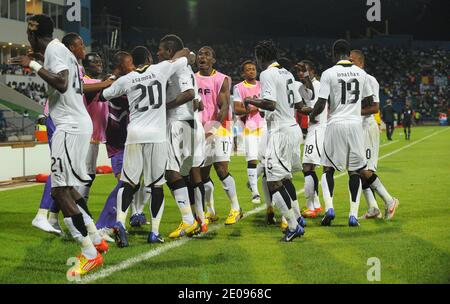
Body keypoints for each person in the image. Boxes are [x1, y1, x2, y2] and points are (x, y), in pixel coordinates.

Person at [10, 14, 106, 276]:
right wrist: (39, 61)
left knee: (60, 192)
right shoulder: (60, 50)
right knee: (69, 189)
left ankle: (89, 254)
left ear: (32, 35)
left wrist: (32, 64)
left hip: (69, 126)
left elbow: (62, 84)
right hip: (76, 123)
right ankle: (97, 240)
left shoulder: (54, 50)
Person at [101, 47, 191, 248]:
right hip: (156, 136)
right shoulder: (160, 69)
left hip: (133, 135)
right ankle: (154, 233)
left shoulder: (127, 79)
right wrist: (184, 54)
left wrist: (115, 77)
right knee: (156, 185)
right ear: (149, 59)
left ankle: (119, 223)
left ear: (134, 60)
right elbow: (184, 56)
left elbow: (104, 94)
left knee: (128, 183)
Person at [310, 40, 399, 227]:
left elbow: (321, 103)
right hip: (356, 126)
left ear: (335, 54)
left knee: (329, 168)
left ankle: (330, 208)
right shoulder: (362, 74)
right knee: (357, 170)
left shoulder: (328, 73)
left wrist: (311, 116)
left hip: (340, 125)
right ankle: (356, 213)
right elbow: (369, 101)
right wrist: (352, 108)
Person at [245, 40, 305, 242]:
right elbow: (299, 104)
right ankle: (296, 218)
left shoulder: (267, 74)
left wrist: (251, 100)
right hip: (292, 129)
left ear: (260, 57)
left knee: (273, 183)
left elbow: (270, 104)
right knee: (284, 179)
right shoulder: (287, 73)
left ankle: (293, 226)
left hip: (280, 132)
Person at [156, 34, 202, 238]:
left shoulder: (180, 68)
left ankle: (188, 220)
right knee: (183, 174)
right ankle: (195, 219)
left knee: (171, 172)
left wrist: (164, 107)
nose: (158, 53)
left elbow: (190, 93)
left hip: (179, 123)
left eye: (160, 49)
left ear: (169, 50)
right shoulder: (178, 66)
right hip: (184, 123)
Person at [195, 46, 242, 225]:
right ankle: (211, 211)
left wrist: (212, 129)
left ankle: (236, 208)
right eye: (200, 54)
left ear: (213, 60)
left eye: (207, 54)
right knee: (202, 174)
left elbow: (223, 107)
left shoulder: (222, 79)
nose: (202, 57)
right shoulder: (192, 78)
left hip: (220, 128)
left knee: (221, 169)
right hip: (200, 130)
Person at [294, 60, 326, 219]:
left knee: (307, 166)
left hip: (319, 129)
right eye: (299, 71)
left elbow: (313, 98)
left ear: (312, 71)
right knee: (310, 168)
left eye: (304, 70)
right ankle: (317, 205)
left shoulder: (318, 85)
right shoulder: (301, 87)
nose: (301, 73)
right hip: (312, 130)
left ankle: (310, 206)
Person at [233, 60, 264, 204]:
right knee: (252, 159)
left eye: (253, 69)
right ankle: (255, 193)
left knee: (267, 160)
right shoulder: (239, 87)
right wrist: (254, 108)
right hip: (250, 127)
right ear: (243, 73)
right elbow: (237, 109)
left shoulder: (263, 85)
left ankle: (252, 183)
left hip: (265, 126)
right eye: (248, 69)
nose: (251, 71)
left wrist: (253, 104)